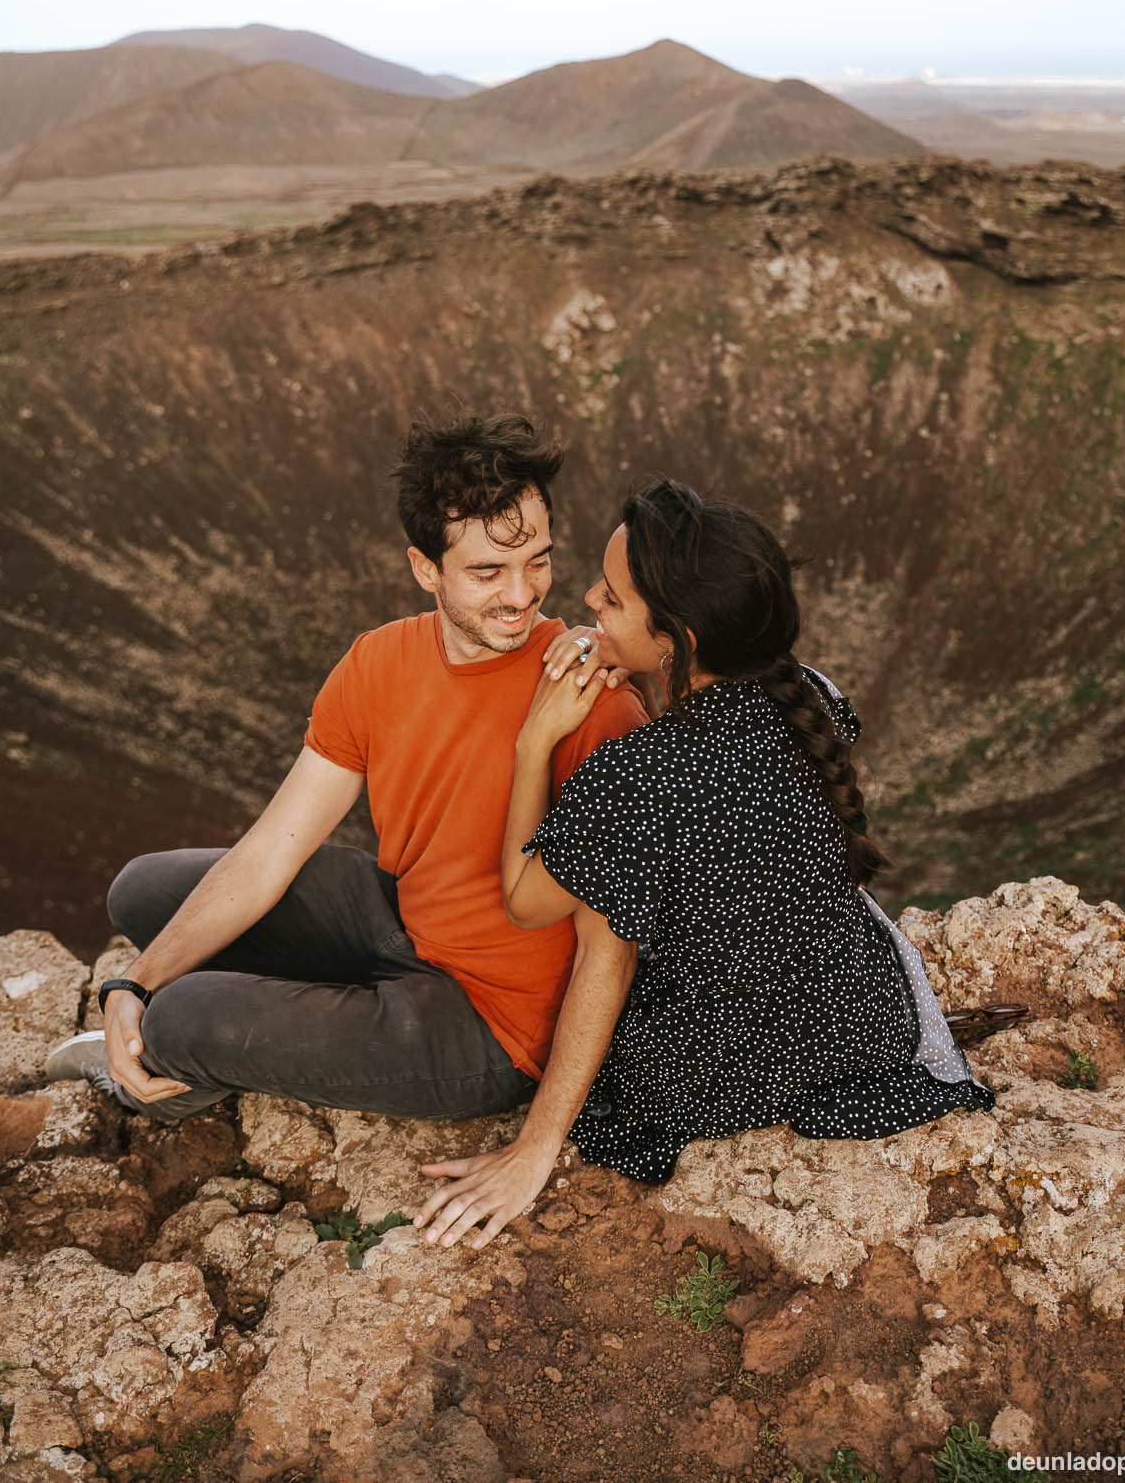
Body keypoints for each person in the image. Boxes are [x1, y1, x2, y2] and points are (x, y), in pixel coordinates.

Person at [413, 479, 997, 1247]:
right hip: (854, 1028)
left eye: (613, 599)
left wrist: (535, 743)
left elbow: (531, 905)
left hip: (714, 1067)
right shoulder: (810, 696)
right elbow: (722, 810)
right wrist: (657, 674)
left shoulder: (639, 777)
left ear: (678, 637)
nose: (587, 594)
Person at [45, 413, 647, 1132]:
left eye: (538, 561)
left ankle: (175, 1069)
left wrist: (542, 1137)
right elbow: (272, 849)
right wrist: (129, 980)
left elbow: (612, 946)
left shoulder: (590, 697)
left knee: (180, 1020)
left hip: (493, 1025)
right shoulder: (377, 662)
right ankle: (293, 1009)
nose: (522, 595)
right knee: (141, 891)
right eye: (488, 571)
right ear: (425, 567)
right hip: (403, 920)